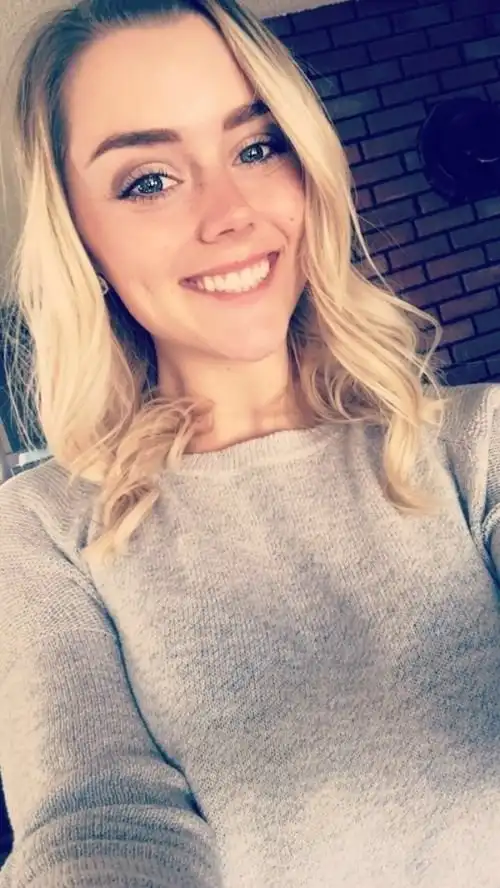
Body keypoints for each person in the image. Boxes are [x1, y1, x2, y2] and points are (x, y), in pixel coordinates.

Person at [0, 0, 499, 884]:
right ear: (81, 235)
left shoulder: (479, 443)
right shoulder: (40, 531)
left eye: (258, 147)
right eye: (149, 180)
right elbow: (98, 824)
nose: (230, 213)